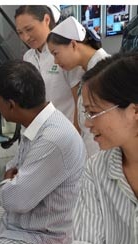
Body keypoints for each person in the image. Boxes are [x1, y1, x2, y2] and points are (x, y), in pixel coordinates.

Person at [0, 60, 86, 244]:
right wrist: (14, 180)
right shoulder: (35, 122)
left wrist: (6, 183)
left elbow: (16, 199)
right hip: (31, 216)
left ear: (11, 104)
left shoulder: (53, 138)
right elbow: (15, 167)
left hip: (46, 236)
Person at [66, 53, 138, 244]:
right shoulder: (97, 169)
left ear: (134, 111)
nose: (87, 124)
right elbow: (88, 243)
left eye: (93, 112)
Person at [47, 16, 110, 158]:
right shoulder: (85, 71)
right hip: (93, 153)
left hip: (105, 154)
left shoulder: (106, 71)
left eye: (56, 54)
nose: (56, 61)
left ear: (74, 45)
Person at [15, 5, 84, 128]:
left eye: (29, 29)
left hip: (67, 131)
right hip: (41, 131)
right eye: (20, 32)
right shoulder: (28, 57)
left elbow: (79, 101)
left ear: (46, 20)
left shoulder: (65, 51)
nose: (25, 37)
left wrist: (76, 135)